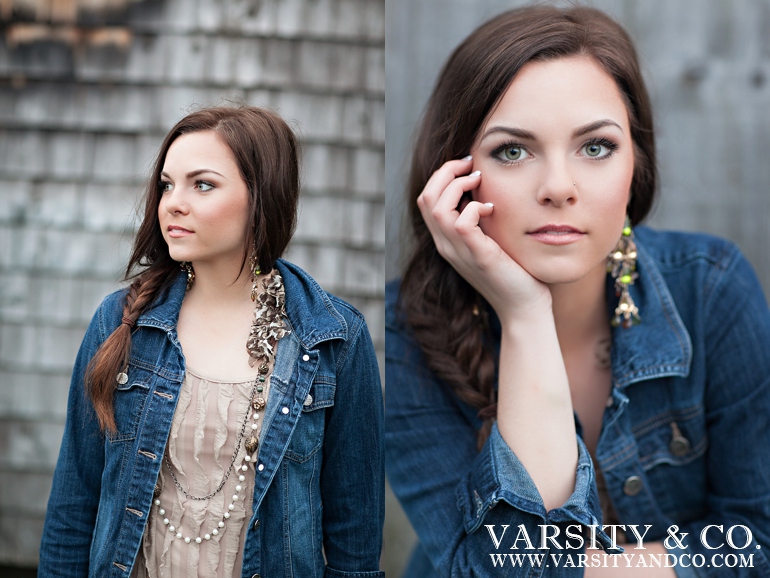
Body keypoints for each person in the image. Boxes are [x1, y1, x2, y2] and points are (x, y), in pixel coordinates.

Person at [385, 6, 770, 578]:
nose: (559, 187)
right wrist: (524, 313)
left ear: (635, 164)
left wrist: (578, 569)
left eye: (595, 147)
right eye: (512, 151)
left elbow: (758, 539)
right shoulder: (402, 332)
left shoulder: (710, 288)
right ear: (454, 175)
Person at [39, 106, 385, 577]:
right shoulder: (120, 323)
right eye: (167, 184)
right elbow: (73, 505)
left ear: (262, 198)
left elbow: (355, 541)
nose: (172, 203)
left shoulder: (334, 341)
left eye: (202, 184)